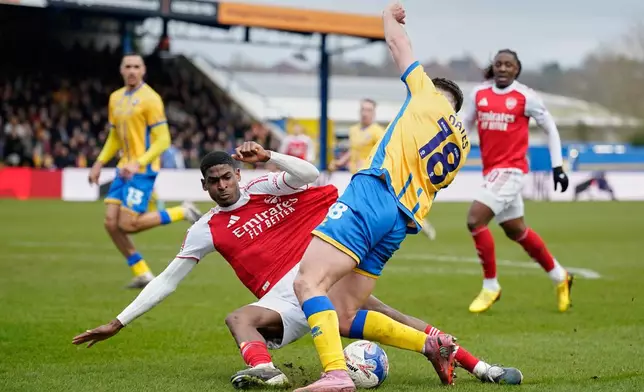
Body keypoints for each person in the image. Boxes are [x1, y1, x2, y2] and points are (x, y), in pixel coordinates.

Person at [72, 143, 522, 390]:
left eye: (228, 176)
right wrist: (118, 321)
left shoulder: (269, 185)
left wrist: (269, 155)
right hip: (284, 300)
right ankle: (267, 372)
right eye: (213, 182)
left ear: (237, 173)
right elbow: (167, 281)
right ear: (204, 186)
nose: (223, 186)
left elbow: (308, 174)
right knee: (239, 318)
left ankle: (481, 368)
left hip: (321, 272)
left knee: (394, 317)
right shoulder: (206, 229)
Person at [291, 2, 471, 390]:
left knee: (309, 282)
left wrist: (389, 16)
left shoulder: (426, 96)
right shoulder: (463, 145)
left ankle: (336, 374)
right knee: (343, 312)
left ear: (439, 96)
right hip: (399, 223)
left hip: (373, 193)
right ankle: (430, 344)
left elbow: (397, 43)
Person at [461, 49, 573, 314]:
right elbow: (464, 125)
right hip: (491, 172)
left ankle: (490, 286)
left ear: (516, 69)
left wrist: (558, 166)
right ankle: (560, 277)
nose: (502, 68)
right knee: (515, 230)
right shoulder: (479, 94)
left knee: (475, 220)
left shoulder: (525, 96)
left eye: (508, 65)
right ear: (493, 67)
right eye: (498, 64)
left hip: (512, 171)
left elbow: (551, 128)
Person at [88, 53, 201, 289]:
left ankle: (182, 211)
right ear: (121, 70)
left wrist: (139, 162)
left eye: (136, 67)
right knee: (111, 223)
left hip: (142, 170)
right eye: (127, 66)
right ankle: (142, 272)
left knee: (129, 224)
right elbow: (114, 136)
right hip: (123, 169)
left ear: (143, 70)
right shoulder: (115, 98)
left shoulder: (151, 99)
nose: (131, 70)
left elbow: (163, 140)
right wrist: (99, 162)